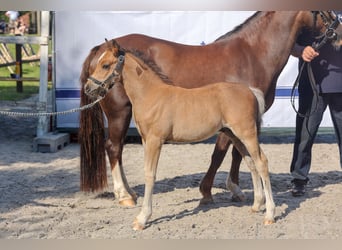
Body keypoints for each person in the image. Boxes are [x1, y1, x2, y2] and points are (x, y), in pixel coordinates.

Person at [290, 12, 342, 197]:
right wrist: (301, 51)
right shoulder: (307, 13)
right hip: (312, 83)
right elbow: (289, 43)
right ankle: (299, 178)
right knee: (305, 133)